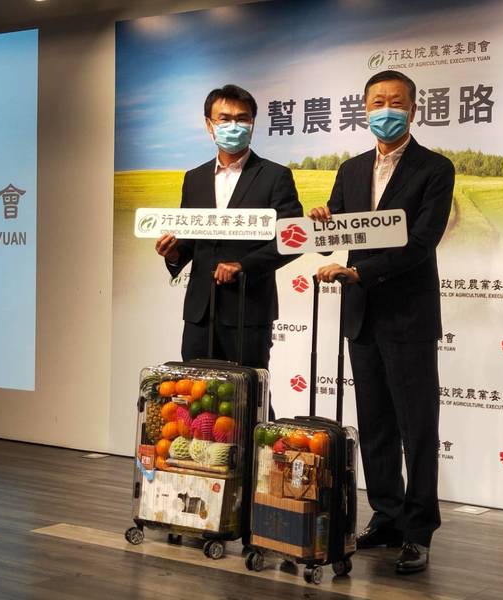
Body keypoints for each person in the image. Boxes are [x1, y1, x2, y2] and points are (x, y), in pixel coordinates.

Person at [309, 70, 454, 574]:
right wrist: (322, 225)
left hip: (408, 315)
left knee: (418, 428)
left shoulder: (434, 169)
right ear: (365, 109)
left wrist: (361, 272)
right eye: (377, 102)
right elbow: (334, 237)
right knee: (374, 427)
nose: (385, 110)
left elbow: (421, 242)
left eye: (396, 102)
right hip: (362, 315)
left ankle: (418, 530)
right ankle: (387, 516)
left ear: (413, 110)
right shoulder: (351, 169)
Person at [156, 84, 302, 419]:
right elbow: (189, 242)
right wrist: (173, 253)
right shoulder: (194, 178)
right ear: (209, 124)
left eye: (242, 118)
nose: (233, 126)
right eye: (224, 118)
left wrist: (244, 265)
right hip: (200, 310)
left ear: (253, 123)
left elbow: (292, 240)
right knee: (195, 399)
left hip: (248, 308)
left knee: (248, 399)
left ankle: (256, 453)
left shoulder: (275, 176)